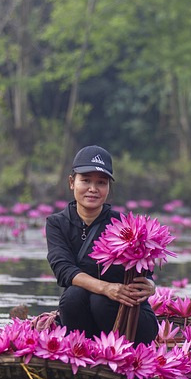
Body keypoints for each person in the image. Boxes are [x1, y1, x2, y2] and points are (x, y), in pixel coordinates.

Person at [45, 145, 159, 344]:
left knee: (101, 302)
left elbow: (145, 273)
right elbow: (64, 270)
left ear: (108, 188)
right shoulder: (57, 223)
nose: (93, 189)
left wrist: (150, 286)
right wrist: (106, 288)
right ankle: (84, 349)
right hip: (80, 316)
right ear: (72, 182)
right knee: (73, 295)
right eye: (86, 180)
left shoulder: (125, 224)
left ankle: (120, 352)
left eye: (101, 182)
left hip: (129, 321)